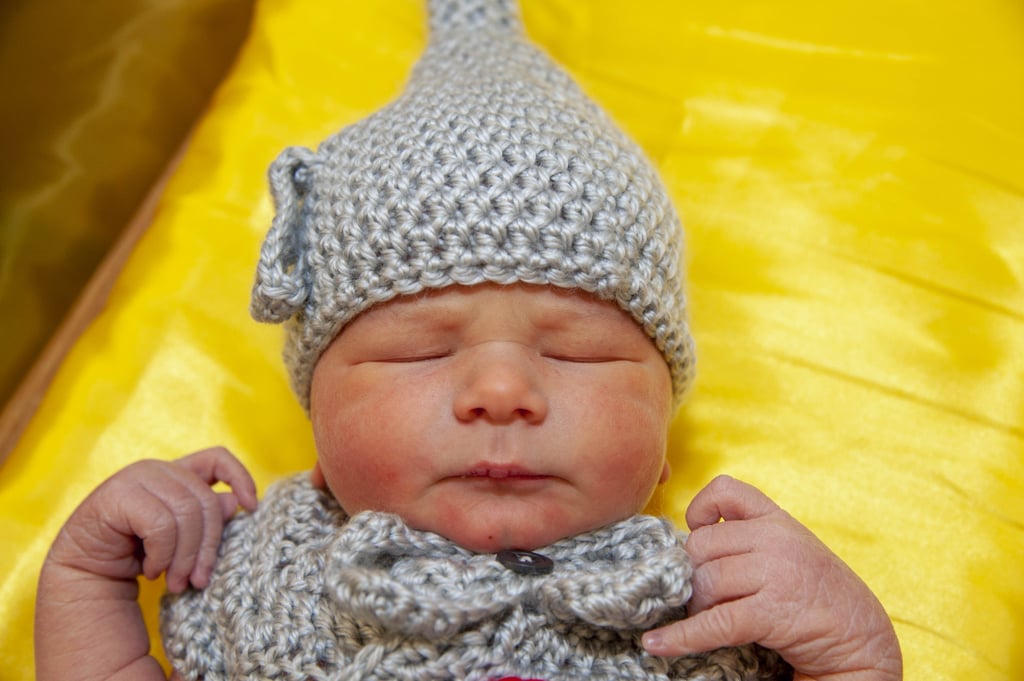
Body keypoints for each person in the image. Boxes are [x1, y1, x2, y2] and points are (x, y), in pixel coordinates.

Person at [35, 1, 902, 679]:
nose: (500, 388)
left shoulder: (708, 610)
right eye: (419, 349)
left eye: (577, 350)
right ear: (320, 438)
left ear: (664, 450)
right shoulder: (262, 586)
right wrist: (86, 583)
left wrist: (852, 655)